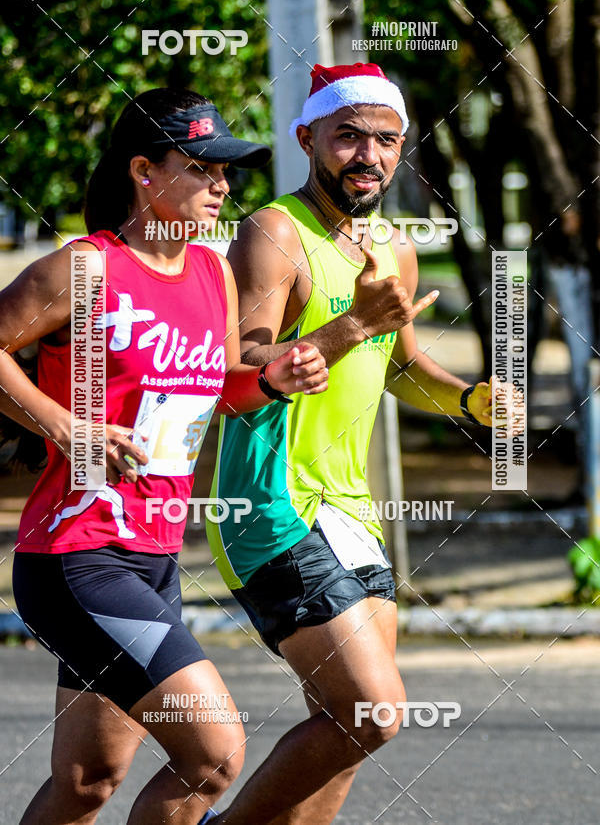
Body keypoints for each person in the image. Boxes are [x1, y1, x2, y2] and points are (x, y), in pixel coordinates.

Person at [5, 87, 328, 825]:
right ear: (144, 171)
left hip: (153, 558)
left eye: (228, 172)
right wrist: (66, 427)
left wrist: (273, 380)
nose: (222, 186)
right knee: (213, 754)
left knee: (87, 781)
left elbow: (218, 393)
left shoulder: (213, 274)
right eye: (202, 167)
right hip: (77, 556)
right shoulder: (84, 269)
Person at [206, 63, 496, 824]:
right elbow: (241, 366)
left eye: (386, 140)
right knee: (372, 712)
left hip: (351, 511)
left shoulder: (394, 250)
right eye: (348, 136)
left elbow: (398, 367)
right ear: (307, 138)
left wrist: (469, 399)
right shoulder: (273, 232)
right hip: (271, 502)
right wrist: (352, 324)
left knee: (345, 730)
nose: (368, 155)